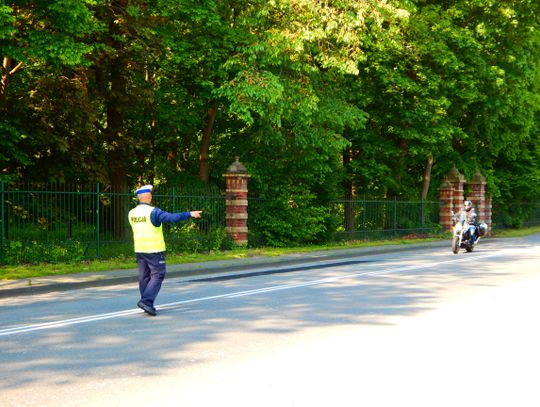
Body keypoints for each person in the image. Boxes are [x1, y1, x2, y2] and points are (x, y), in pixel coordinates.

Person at [128, 184, 202, 316]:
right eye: (151, 195)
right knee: (158, 275)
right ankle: (147, 301)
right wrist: (189, 213)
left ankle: (146, 301)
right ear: (149, 197)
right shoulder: (153, 212)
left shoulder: (131, 213)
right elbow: (171, 218)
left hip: (140, 249)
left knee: (144, 277)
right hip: (154, 249)